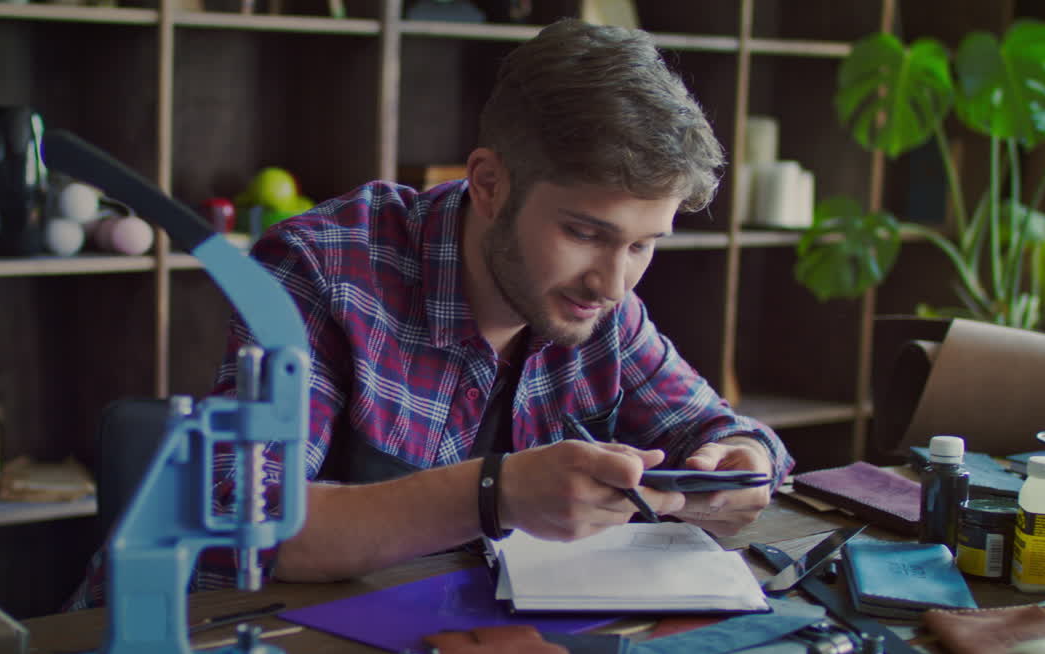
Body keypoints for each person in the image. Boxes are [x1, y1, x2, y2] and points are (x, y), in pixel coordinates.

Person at [66, 18, 792, 607]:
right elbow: (238, 521)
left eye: (643, 245)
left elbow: (720, 429)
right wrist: (496, 493)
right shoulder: (324, 267)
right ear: (489, 183)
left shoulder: (602, 304)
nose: (612, 280)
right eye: (584, 232)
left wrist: (740, 462)